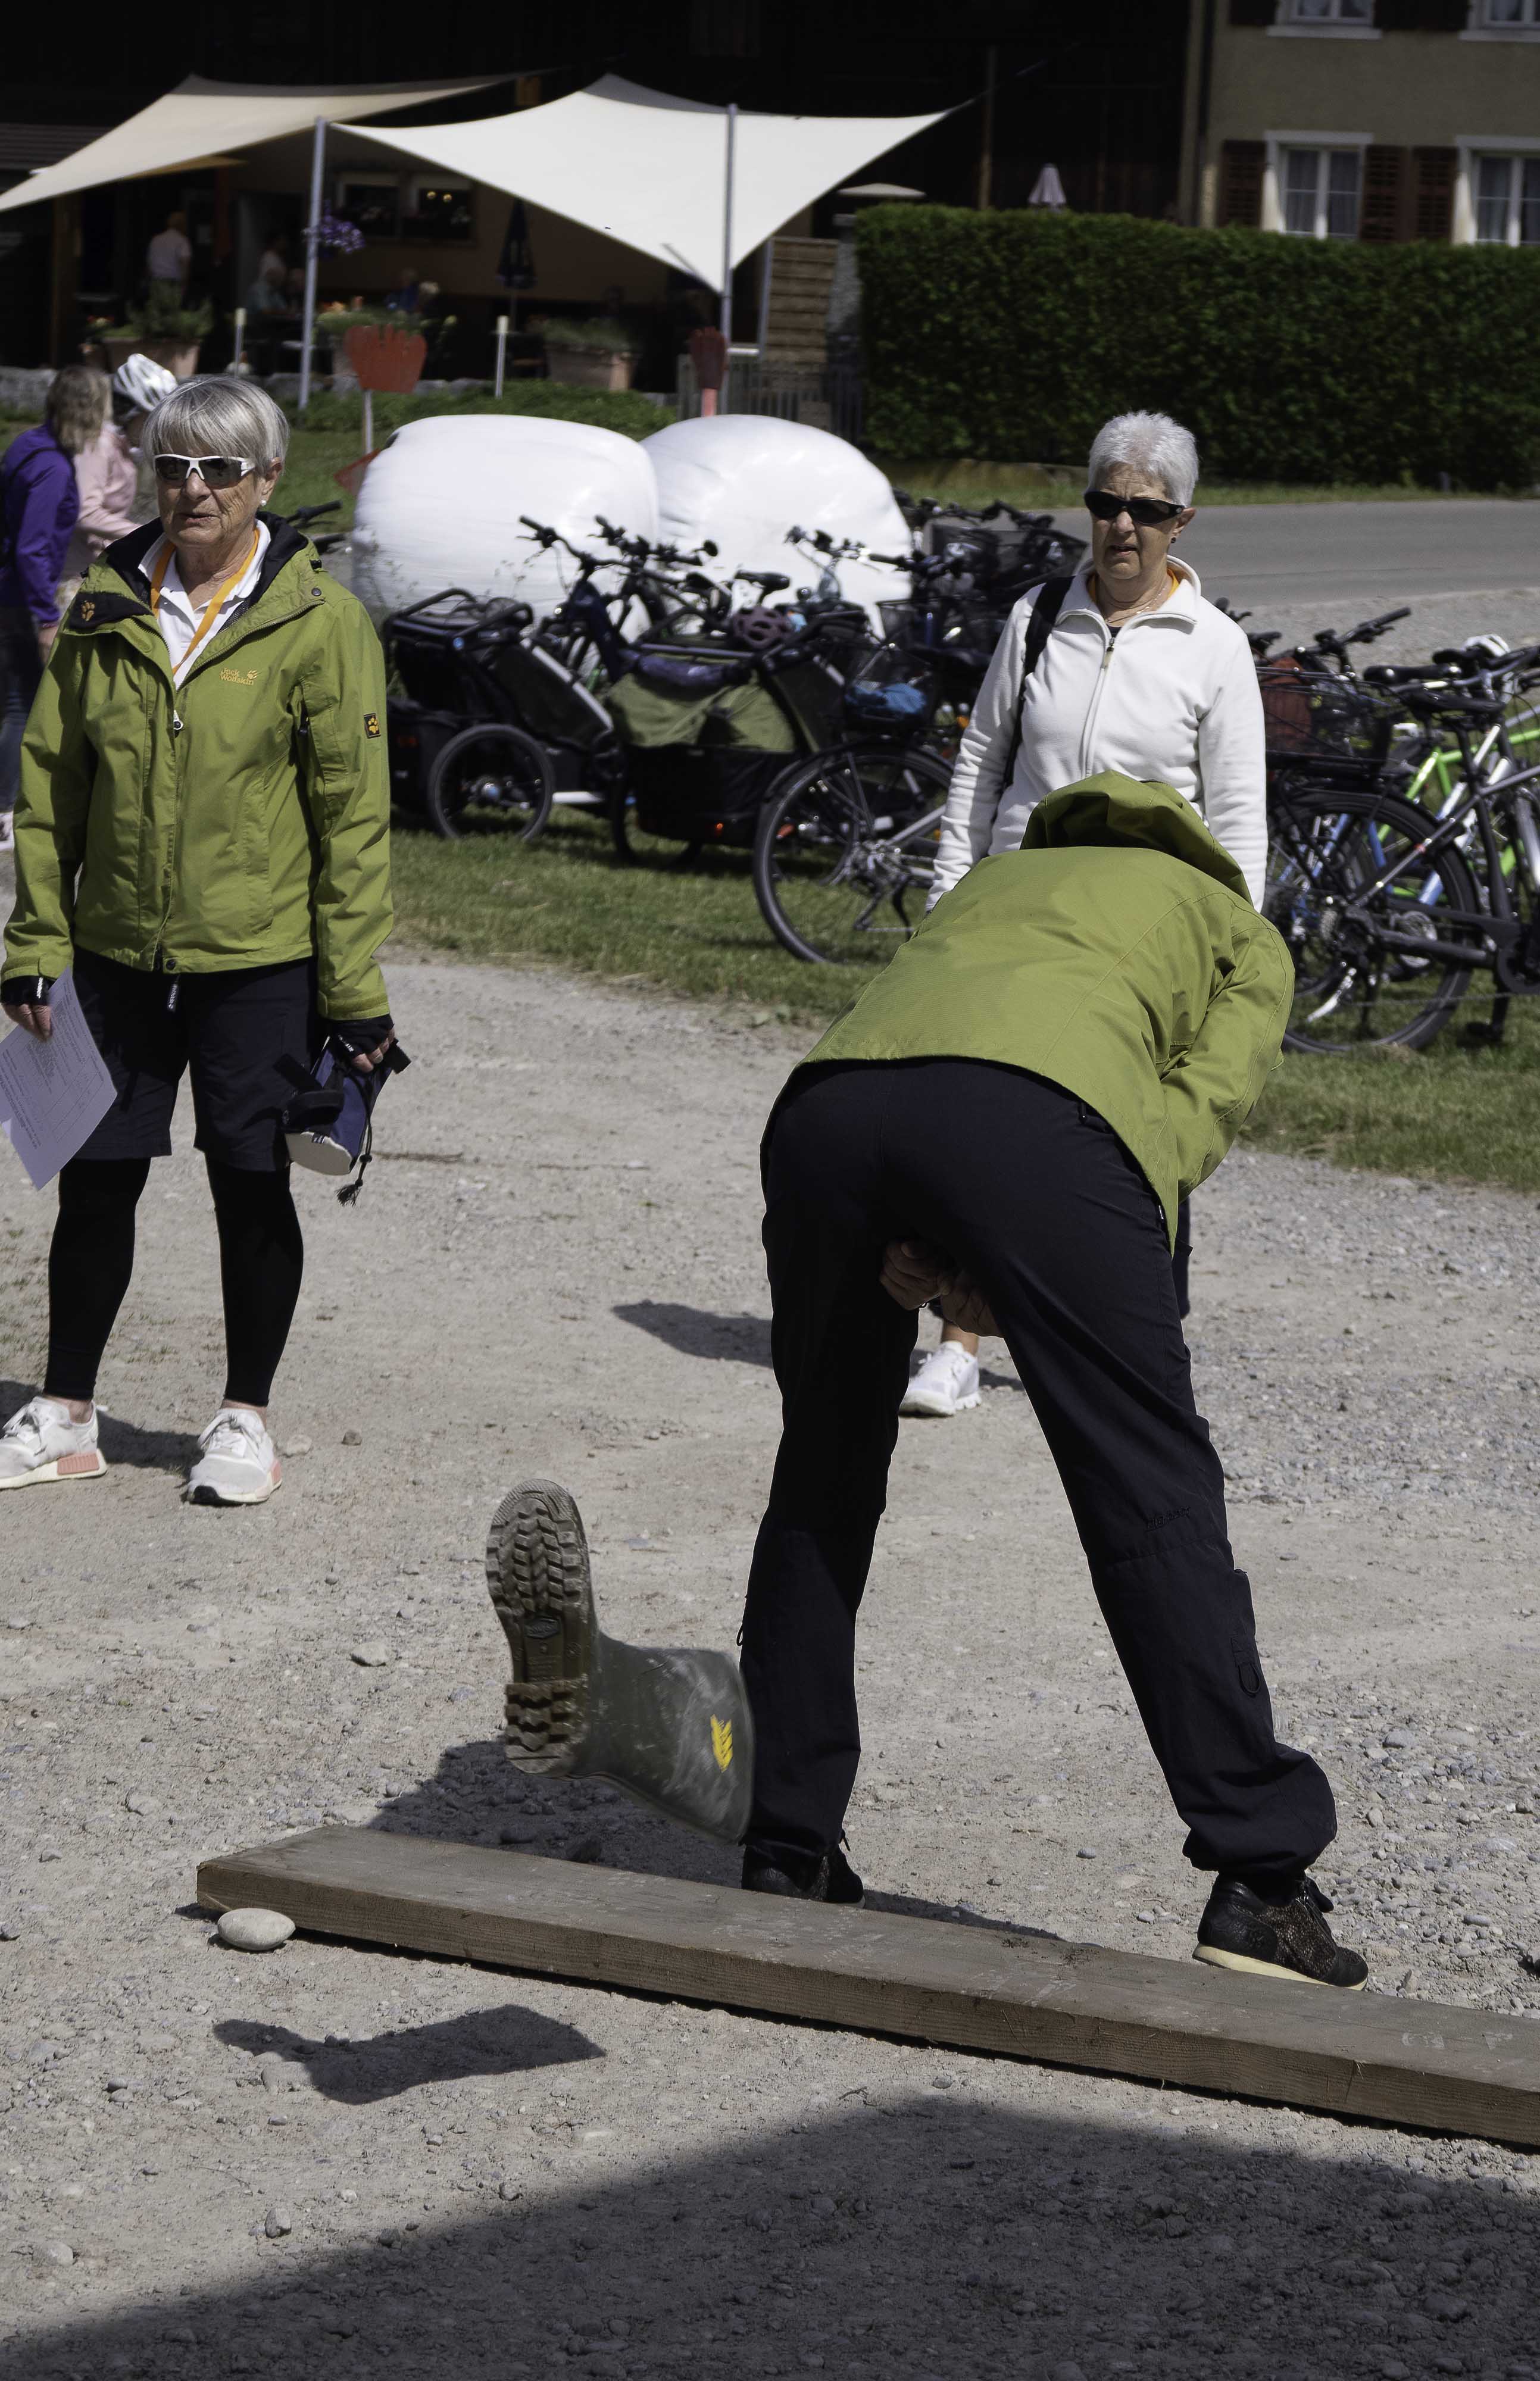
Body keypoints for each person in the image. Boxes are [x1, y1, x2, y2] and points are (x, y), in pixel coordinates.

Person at [482, 768, 1364, 1991]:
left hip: (831, 1110)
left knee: (825, 1466)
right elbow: (1184, 1116)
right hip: (1041, 1133)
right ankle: (1261, 1878)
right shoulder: (1236, 928)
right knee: (1146, 1486)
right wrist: (1030, 1261)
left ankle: (787, 1840)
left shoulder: (1002, 878)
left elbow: (934, 1071)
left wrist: (950, 1247)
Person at [0, 377, 394, 1506]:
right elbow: (51, 786)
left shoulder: (322, 622)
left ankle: (243, 1419)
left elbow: (353, 821)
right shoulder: (104, 608)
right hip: (116, 957)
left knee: (251, 1184)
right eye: (174, 466)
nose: (194, 489)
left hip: (257, 964)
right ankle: (68, 1414)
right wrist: (35, 940)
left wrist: (352, 990)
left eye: (221, 468)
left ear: (267, 479)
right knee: (95, 1183)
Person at [902, 409, 1265, 1422]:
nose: (1121, 526)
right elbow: (980, 765)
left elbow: (1238, 819)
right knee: (985, 1123)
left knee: (1136, 1139)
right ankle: (958, 1342)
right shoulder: (1034, 621)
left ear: (1180, 522)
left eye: (1144, 511)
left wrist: (1232, 958)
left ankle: (1139, 1350)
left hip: (1141, 939)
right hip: (1013, 917)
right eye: (1105, 503)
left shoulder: (1214, 648)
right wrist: (947, 896)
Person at [0, 366, 102, 854]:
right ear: (88, 411)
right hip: (20, 599)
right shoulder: (54, 469)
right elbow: (32, 548)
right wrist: (46, 616)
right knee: (22, 705)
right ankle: (5, 812)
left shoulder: (28, 445)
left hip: (8, 590)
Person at [60, 370, 145, 601]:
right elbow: (86, 513)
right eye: (147, 418)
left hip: (97, 570)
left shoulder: (121, 447)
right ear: (133, 413)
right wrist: (144, 533)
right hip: (74, 578)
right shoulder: (100, 445)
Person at [146, 210, 192, 295]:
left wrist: (148, 283)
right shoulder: (182, 241)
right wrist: (184, 286)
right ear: (183, 225)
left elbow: (149, 265)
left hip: (156, 284)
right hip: (173, 285)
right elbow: (184, 266)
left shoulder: (155, 240)